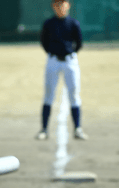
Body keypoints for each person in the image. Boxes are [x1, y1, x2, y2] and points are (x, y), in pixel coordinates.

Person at [36, 0, 88, 141]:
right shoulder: (49, 24)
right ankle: (44, 129)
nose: (60, 7)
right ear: (54, 6)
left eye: (63, 4)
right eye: (57, 4)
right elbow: (44, 42)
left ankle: (78, 128)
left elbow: (79, 43)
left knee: (74, 94)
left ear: (68, 5)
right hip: (53, 61)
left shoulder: (73, 23)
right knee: (48, 95)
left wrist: (70, 52)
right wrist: (52, 52)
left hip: (70, 61)